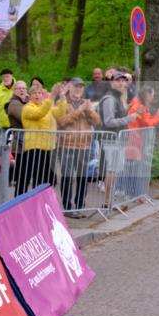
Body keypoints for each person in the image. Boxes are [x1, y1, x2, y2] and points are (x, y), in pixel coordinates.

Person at [55, 77, 101, 214]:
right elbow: (62, 122)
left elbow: (98, 122)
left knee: (83, 177)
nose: (78, 89)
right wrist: (78, 111)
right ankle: (68, 207)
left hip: (84, 146)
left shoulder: (86, 103)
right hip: (67, 145)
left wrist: (89, 111)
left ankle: (80, 205)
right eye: (75, 86)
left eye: (80, 87)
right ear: (69, 88)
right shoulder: (61, 102)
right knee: (67, 176)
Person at [98, 71, 142, 207]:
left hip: (118, 139)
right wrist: (130, 118)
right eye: (118, 80)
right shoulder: (109, 98)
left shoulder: (117, 97)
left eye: (123, 81)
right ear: (112, 83)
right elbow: (109, 121)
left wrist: (130, 111)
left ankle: (111, 201)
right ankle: (108, 202)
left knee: (115, 171)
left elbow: (118, 113)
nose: (121, 83)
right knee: (112, 170)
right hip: (111, 139)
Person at [18, 81, 67, 194]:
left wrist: (62, 96)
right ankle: (21, 200)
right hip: (33, 147)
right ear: (29, 96)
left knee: (44, 178)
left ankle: (38, 199)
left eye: (39, 93)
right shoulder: (27, 108)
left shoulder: (46, 106)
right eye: (34, 93)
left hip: (46, 147)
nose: (37, 95)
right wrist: (52, 96)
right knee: (29, 177)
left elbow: (60, 113)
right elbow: (39, 113)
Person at [5, 80, 29, 195]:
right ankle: (19, 201)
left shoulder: (26, 101)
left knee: (25, 176)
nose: (22, 90)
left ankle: (23, 199)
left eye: (24, 88)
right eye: (19, 88)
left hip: (27, 143)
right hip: (19, 146)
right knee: (22, 176)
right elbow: (25, 117)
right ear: (14, 90)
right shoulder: (14, 103)